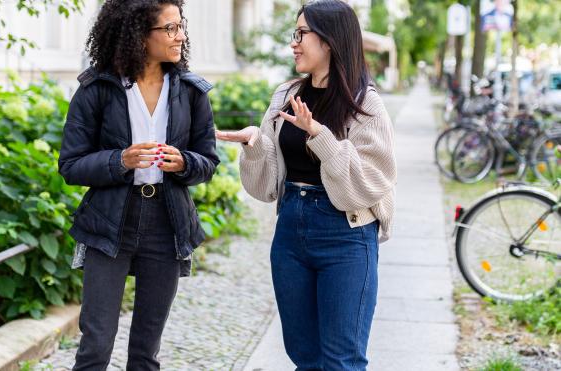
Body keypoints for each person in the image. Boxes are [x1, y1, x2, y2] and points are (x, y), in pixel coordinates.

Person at [216, 1, 396, 369]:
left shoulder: (366, 106)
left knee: (341, 360)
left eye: (301, 34)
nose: (294, 44)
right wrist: (255, 144)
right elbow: (265, 187)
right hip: (291, 231)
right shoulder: (286, 95)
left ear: (329, 41)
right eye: (293, 34)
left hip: (346, 234)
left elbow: (369, 184)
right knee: (304, 356)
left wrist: (320, 135)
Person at [57, 0, 219, 369]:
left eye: (181, 26)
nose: (181, 36)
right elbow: (70, 165)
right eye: (170, 29)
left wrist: (185, 162)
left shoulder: (191, 92)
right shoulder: (96, 88)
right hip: (110, 220)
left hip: (167, 221)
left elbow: (207, 162)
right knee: (96, 344)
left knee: (147, 349)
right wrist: (120, 161)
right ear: (139, 36)